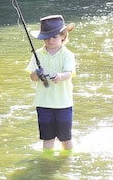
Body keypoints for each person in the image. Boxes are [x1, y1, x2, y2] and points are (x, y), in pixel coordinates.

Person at [25, 15, 76, 153]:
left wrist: (60, 76)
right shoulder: (38, 54)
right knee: (47, 138)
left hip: (63, 104)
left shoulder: (67, 55)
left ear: (63, 37)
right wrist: (37, 73)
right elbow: (32, 78)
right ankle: (47, 163)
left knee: (65, 138)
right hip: (43, 104)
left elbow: (69, 73)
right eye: (47, 37)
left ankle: (67, 160)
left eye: (54, 37)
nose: (50, 40)